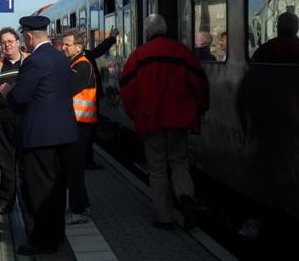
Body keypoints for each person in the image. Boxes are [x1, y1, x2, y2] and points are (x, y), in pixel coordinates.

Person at [120, 14, 209, 231]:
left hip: (151, 123)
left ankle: (164, 218)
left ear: (147, 33)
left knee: (157, 169)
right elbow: (199, 83)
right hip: (179, 121)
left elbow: (126, 90)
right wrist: (200, 109)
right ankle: (186, 198)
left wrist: (136, 115)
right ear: (165, 30)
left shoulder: (138, 56)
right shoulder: (182, 52)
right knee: (179, 162)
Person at [0, 15, 78, 256]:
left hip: (39, 136)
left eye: (23, 36)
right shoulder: (60, 57)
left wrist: (8, 92)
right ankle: (56, 235)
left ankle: (42, 240)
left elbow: (21, 97)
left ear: (29, 36)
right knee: (56, 188)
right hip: (64, 134)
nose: (24, 40)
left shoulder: (34, 61)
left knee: (39, 190)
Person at [0, 27, 28, 215]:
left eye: (10, 41)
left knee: (27, 162)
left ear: (18, 42)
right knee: (5, 161)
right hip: (2, 120)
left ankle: (28, 200)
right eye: (3, 42)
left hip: (26, 119)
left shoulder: (30, 62)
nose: (7, 45)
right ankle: (6, 200)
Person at [61, 30, 96, 224]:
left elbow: (65, 89)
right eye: (63, 44)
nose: (63, 47)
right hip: (75, 123)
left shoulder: (82, 66)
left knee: (74, 168)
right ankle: (81, 204)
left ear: (78, 47)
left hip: (80, 124)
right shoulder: (74, 63)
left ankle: (79, 210)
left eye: (67, 44)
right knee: (72, 167)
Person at [83, 26, 118, 169]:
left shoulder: (82, 56)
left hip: (89, 101)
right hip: (87, 104)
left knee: (88, 133)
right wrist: (111, 38)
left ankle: (86, 159)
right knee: (88, 133)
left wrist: (111, 38)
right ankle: (87, 161)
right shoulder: (83, 56)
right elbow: (99, 51)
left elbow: (98, 51)